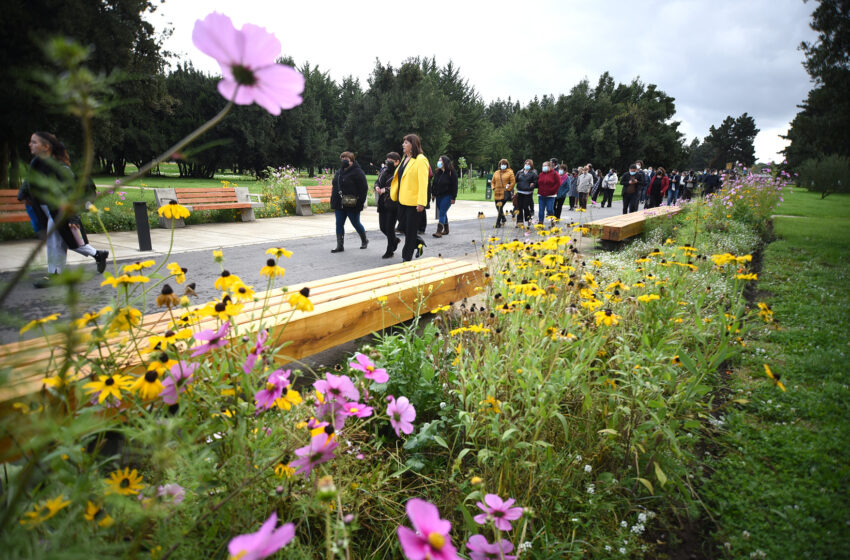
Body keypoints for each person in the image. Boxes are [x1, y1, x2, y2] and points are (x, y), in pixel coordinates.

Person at [22, 131, 108, 287]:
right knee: (68, 241)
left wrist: (73, 217)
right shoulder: (36, 163)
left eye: (34, 142)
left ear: (45, 147)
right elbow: (30, 180)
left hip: (60, 210)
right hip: (45, 209)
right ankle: (98, 255)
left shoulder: (61, 168)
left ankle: (55, 275)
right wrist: (24, 193)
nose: (30, 144)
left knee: (56, 241)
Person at [390, 134, 429, 261]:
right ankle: (418, 242)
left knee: (411, 230)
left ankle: (406, 257)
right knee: (402, 227)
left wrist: (421, 202)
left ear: (413, 145)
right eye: (404, 143)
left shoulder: (421, 160)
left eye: (406, 143)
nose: (403, 145)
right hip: (402, 199)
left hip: (413, 202)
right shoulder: (405, 158)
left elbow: (423, 183)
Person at [330, 151, 369, 253]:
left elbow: (364, 188)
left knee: (355, 223)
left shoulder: (358, 172)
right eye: (342, 158)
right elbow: (335, 186)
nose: (344, 161)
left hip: (352, 203)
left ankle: (364, 240)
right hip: (339, 203)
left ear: (352, 161)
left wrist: (360, 203)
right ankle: (340, 245)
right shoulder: (339, 172)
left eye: (346, 159)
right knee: (339, 223)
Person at [374, 151, 401, 258]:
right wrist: (376, 186)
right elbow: (378, 181)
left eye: (391, 161)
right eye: (387, 160)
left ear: (397, 162)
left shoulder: (399, 172)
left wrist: (385, 190)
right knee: (382, 227)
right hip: (382, 202)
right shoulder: (384, 170)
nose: (388, 163)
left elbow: (399, 186)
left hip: (392, 202)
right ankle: (394, 240)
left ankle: (390, 251)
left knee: (389, 228)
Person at [431, 155, 458, 238]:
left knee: (442, 212)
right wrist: (433, 194)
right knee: (443, 212)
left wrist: (453, 197)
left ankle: (438, 231)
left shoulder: (451, 172)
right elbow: (434, 184)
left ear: (445, 162)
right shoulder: (438, 172)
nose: (439, 162)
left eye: (440, 160)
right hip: (438, 195)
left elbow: (455, 185)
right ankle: (446, 229)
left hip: (447, 196)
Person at [491, 159, 515, 228]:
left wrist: (508, 189)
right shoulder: (496, 172)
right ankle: (503, 218)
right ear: (499, 165)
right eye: (502, 164)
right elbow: (492, 182)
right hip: (496, 192)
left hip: (504, 193)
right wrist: (493, 188)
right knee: (498, 208)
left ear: (507, 165)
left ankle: (498, 223)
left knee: (500, 207)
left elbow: (513, 182)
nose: (503, 165)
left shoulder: (510, 172)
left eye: (504, 164)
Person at [514, 159, 537, 227]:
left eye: (528, 164)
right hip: (520, 192)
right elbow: (515, 180)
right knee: (519, 207)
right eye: (526, 163)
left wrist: (533, 184)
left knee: (525, 207)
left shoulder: (533, 173)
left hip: (528, 193)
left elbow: (536, 182)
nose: (527, 165)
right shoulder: (519, 172)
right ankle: (519, 222)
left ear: (531, 165)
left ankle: (528, 219)